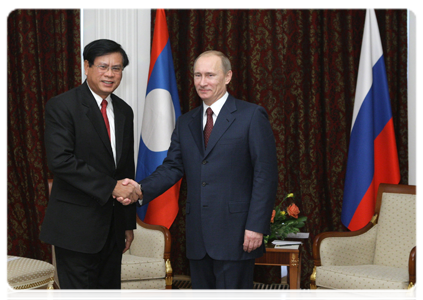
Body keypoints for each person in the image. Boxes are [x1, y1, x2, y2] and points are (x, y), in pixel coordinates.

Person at [124, 50, 278, 300]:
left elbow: (266, 175)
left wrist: (256, 226)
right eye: (197, 75)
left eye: (210, 75)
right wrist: (140, 190)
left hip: (237, 233)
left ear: (227, 77)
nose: (202, 82)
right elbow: (172, 167)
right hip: (198, 236)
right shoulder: (186, 122)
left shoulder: (251, 116)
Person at [40, 39, 141, 300]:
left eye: (117, 68)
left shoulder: (124, 111)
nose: (110, 74)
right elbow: (61, 160)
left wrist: (127, 224)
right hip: (76, 229)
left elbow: (125, 170)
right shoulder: (63, 106)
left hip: (113, 229)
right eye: (103, 66)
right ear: (87, 66)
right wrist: (111, 187)